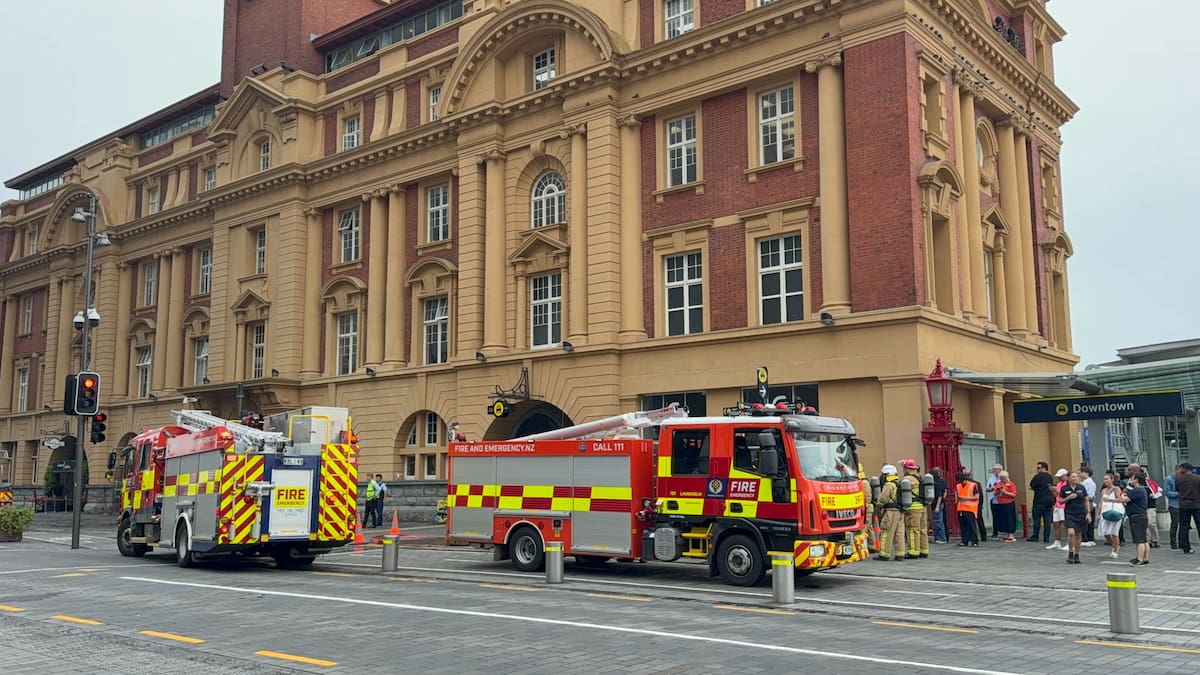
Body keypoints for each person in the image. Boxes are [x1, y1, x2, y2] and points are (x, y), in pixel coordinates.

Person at [1058, 471, 1091, 564]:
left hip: (1080, 513)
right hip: (1069, 513)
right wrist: (1068, 497)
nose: (1075, 478)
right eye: (1073, 477)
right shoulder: (1064, 488)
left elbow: (1086, 500)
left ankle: (1077, 554)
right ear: (1068, 478)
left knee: (1078, 534)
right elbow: (1060, 501)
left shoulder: (1081, 487)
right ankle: (1070, 553)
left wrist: (1088, 513)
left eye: (1076, 477)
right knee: (1071, 533)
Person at [875, 464, 905, 561]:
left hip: (890, 512)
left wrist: (878, 505)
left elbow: (883, 498)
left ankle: (884, 554)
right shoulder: (898, 483)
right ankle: (900, 554)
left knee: (886, 532)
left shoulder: (889, 485)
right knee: (899, 533)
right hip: (900, 511)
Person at [1120, 473, 1151, 566]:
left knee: (1139, 539)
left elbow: (1124, 499)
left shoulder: (1137, 490)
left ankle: (1140, 559)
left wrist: (1123, 494)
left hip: (1136, 517)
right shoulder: (1142, 490)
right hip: (1142, 516)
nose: (1130, 481)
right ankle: (1145, 558)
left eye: (1132, 479)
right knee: (1143, 539)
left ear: (1136, 480)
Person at [900, 458, 928, 559]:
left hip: (913, 508)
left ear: (907, 468)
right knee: (922, 530)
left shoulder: (908, 479)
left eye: (904, 468)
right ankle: (924, 550)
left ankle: (913, 552)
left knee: (912, 530)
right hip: (922, 507)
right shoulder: (919, 477)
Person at [1097, 471, 1125, 559]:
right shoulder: (1103, 490)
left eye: (1107, 479)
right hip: (1105, 512)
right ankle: (1114, 545)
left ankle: (1115, 550)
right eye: (1104, 479)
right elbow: (1100, 502)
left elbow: (1120, 499)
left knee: (1114, 532)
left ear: (1112, 480)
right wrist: (1098, 513)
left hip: (1114, 511)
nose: (1105, 481)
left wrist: (1109, 500)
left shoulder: (1116, 489)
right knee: (1105, 532)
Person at [1027, 462, 1055, 542]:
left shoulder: (1038, 476)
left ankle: (1035, 536)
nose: (1037, 470)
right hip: (1049, 500)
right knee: (1047, 520)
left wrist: (1035, 488)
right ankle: (1046, 537)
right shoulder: (1050, 477)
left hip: (1039, 500)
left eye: (1038, 468)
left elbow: (1032, 485)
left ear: (1044, 468)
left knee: (1037, 519)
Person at [1178, 462, 1200, 555]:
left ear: (1184, 468)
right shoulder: (1198, 478)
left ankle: (1186, 547)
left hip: (1184, 505)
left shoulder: (1178, 479)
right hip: (1196, 505)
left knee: (1184, 527)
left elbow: (1177, 490)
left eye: (1181, 468)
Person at [956, 471, 980, 547]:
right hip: (961, 508)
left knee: (972, 525)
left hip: (970, 508)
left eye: (961, 481)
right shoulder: (958, 486)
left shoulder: (973, 485)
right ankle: (964, 541)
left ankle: (974, 541)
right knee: (963, 526)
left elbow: (977, 497)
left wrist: (965, 498)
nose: (961, 482)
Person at [1046, 468, 1069, 550]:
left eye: (1061, 476)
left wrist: (1056, 490)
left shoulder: (1068, 484)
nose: (1059, 478)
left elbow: (1065, 494)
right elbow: (1056, 495)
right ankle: (1057, 542)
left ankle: (1069, 543)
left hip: (1064, 506)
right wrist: (1053, 490)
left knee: (1066, 525)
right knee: (1056, 524)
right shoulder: (1059, 484)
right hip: (1057, 505)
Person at [993, 471, 1018, 542]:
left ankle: (1011, 534)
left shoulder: (1011, 484)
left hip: (1009, 503)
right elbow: (994, 493)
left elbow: (1014, 494)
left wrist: (1005, 492)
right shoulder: (998, 483)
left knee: (1009, 518)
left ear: (1006, 477)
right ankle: (1006, 533)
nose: (1002, 479)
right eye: (1000, 478)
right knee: (1003, 519)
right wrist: (997, 491)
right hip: (1000, 503)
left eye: (1003, 478)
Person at [965, 469, 987, 542]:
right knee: (980, 521)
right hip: (976, 505)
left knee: (970, 522)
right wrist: (980, 505)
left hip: (968, 506)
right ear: (971, 475)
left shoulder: (964, 485)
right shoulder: (977, 483)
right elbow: (981, 496)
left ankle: (970, 536)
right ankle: (983, 536)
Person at [1164, 464, 1182, 550]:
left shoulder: (1181, 479)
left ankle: (1181, 542)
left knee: (1183, 525)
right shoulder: (1169, 479)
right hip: (1174, 505)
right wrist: (1178, 494)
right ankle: (1173, 543)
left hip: (1182, 504)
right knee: (1175, 524)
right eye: (1180, 472)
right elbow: (1167, 492)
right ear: (1176, 470)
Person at [1079, 467, 1097, 546]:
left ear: (1087, 473)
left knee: (1085, 521)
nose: (1079, 474)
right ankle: (1090, 538)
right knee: (1089, 522)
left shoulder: (1087, 483)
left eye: (1081, 472)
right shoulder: (1087, 482)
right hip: (1088, 502)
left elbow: (1089, 495)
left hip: (1086, 502)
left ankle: (1085, 539)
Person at [931, 467, 948, 544]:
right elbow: (944, 493)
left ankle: (941, 538)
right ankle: (941, 537)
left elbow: (940, 495)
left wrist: (937, 506)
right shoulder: (943, 482)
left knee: (938, 521)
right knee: (940, 521)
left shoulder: (936, 483)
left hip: (937, 504)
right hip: (941, 503)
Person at [985, 463, 1003, 538]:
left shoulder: (1003, 478)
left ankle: (1003, 530)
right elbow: (987, 489)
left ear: (1000, 470)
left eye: (995, 469)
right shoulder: (991, 478)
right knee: (995, 516)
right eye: (993, 469)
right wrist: (991, 488)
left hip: (1002, 499)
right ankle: (995, 532)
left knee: (1002, 515)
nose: (994, 471)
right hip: (993, 499)